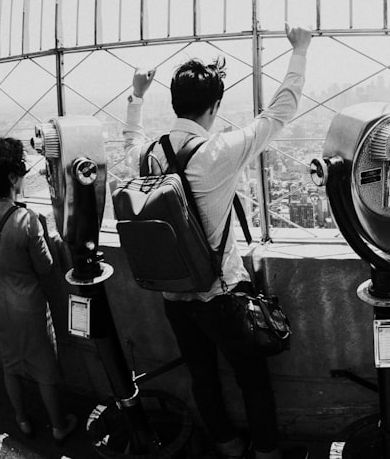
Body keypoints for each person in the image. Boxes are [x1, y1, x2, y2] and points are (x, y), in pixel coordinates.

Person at [123, 24, 310, 459]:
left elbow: (130, 143)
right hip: (221, 294)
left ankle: (226, 445)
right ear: (215, 105)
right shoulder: (216, 152)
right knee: (252, 379)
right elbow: (279, 114)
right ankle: (266, 453)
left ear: (174, 103)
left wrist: (135, 97)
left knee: (202, 375)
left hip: (174, 294)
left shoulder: (152, 153)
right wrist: (300, 51)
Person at [0, 135, 76, 441]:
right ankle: (58, 426)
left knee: (10, 364)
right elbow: (46, 268)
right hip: (29, 307)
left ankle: (22, 420)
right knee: (44, 369)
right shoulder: (27, 221)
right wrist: (51, 240)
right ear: (13, 177)